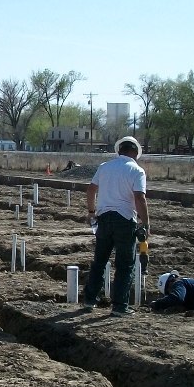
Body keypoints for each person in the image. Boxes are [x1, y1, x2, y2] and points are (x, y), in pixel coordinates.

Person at [83, 136, 149, 317]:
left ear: (119, 151)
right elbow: (140, 198)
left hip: (103, 219)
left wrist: (91, 212)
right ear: (135, 152)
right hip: (125, 221)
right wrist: (146, 223)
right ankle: (120, 306)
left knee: (99, 261)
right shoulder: (137, 170)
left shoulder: (105, 167)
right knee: (125, 265)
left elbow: (91, 190)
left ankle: (89, 300)